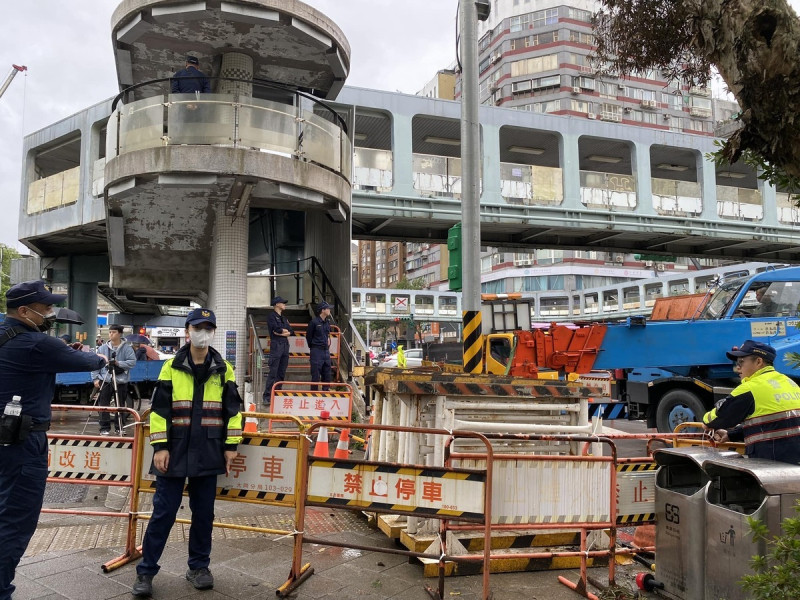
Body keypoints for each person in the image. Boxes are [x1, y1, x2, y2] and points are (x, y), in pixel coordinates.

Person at [0, 281, 107, 600]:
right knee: (16, 519)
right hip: (23, 442)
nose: (49, 312)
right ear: (23, 311)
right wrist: (91, 354)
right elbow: (91, 363)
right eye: (44, 307)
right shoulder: (37, 344)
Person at [132, 308, 242, 598]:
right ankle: (146, 571)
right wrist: (160, 447)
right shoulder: (170, 367)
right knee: (163, 514)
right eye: (197, 327)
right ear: (187, 331)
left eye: (208, 328)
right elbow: (159, 412)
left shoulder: (224, 368)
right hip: (174, 452)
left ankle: (198, 567)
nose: (202, 332)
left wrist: (231, 447)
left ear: (213, 332)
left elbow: (233, 413)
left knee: (204, 515)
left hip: (208, 451)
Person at [703, 340, 800, 463]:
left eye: (741, 362)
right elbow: (773, 424)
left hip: (773, 466)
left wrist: (706, 422)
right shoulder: (789, 383)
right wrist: (732, 435)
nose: (737, 368)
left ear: (759, 361)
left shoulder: (750, 388)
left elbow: (717, 418)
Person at [92, 324, 137, 435]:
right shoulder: (102, 348)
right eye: (110, 332)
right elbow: (95, 363)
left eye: (114, 332)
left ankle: (120, 427)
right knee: (103, 405)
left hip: (121, 380)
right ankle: (104, 428)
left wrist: (118, 363)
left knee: (120, 405)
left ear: (120, 333)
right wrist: (95, 378)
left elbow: (132, 362)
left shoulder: (127, 348)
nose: (111, 334)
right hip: (105, 379)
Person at [262, 296, 294, 405]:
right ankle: (267, 396)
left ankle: (278, 394)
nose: (284, 304)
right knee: (273, 372)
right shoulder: (271, 316)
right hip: (276, 345)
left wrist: (283, 332)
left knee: (282, 371)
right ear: (276, 304)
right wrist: (282, 332)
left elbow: (291, 331)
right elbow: (276, 330)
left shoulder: (284, 318)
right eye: (282, 302)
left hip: (285, 345)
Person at [306, 301, 333, 387]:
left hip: (326, 350)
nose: (329, 310)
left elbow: (328, 333)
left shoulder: (327, 322)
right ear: (322, 310)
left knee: (327, 373)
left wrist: (327, 339)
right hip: (316, 350)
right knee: (316, 374)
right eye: (328, 309)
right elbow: (309, 336)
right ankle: (314, 394)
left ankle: (325, 393)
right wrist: (313, 346)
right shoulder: (314, 322)